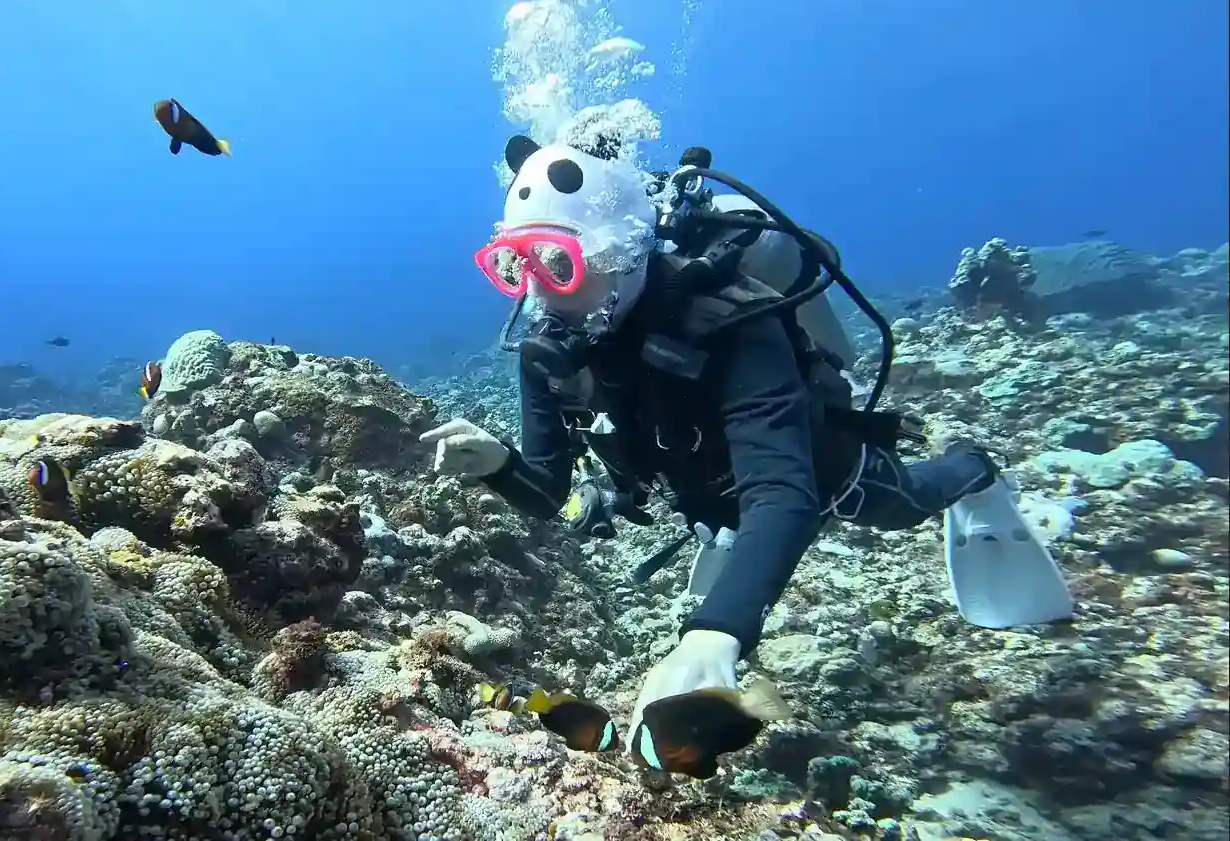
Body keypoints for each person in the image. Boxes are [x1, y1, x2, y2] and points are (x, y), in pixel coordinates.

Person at [419, 134, 1074, 778]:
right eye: (515, 266)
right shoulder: (551, 354)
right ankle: (728, 542)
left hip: (815, 471)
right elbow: (546, 491)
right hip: (708, 495)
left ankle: (973, 468)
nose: (538, 293)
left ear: (619, 251)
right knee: (727, 526)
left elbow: (784, 494)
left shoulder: (730, 320)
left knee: (902, 505)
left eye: (556, 264)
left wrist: (715, 632)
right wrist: (499, 464)